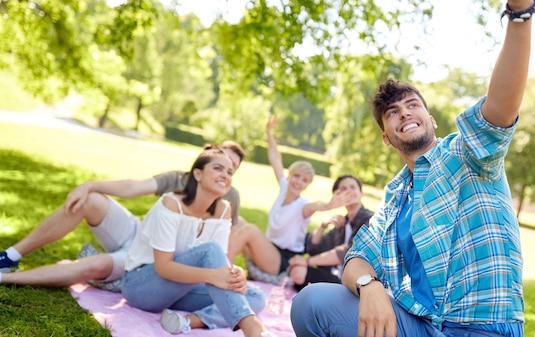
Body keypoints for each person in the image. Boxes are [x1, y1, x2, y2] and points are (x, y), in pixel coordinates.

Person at [291, 0, 535, 337]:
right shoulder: (395, 196)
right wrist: (369, 287)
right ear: (386, 139)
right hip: (419, 325)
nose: (404, 113)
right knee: (310, 303)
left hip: (481, 329)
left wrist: (520, 11)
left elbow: (501, 105)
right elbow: (357, 258)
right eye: (392, 113)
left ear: (430, 119)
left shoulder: (467, 153)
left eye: (412, 104)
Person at [0, 141, 244, 289]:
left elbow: (221, 248)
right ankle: (10, 257)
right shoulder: (178, 179)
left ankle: (7, 279)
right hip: (139, 234)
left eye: (231, 169)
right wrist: (89, 185)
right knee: (91, 201)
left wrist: (223, 275)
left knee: (94, 265)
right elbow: (132, 187)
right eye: (219, 162)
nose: (224, 173)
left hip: (149, 261)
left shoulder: (227, 200)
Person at [121, 148, 273, 337]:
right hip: (141, 287)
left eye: (229, 172)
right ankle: (254, 330)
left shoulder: (224, 209)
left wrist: (236, 274)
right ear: (197, 174)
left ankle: (186, 322)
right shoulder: (171, 204)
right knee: (209, 250)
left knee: (255, 296)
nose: (225, 175)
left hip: (181, 290)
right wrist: (212, 276)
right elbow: (163, 267)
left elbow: (219, 262)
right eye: (218, 168)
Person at [228, 116, 350, 279]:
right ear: (290, 175)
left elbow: (314, 206)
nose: (299, 182)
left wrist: (328, 205)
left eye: (305, 180)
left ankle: (224, 272)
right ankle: (220, 260)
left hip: (283, 261)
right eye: (297, 176)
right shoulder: (284, 188)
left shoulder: (302, 206)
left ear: (307, 185)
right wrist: (269, 132)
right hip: (269, 250)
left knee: (249, 230)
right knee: (237, 220)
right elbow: (275, 158)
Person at [287, 175, 374, 291]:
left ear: (361, 193)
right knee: (297, 271)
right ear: (337, 196)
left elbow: (347, 251)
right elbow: (312, 248)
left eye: (353, 187)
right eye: (343, 189)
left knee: (299, 272)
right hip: (334, 276)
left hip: (356, 281)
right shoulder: (342, 223)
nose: (348, 191)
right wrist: (323, 226)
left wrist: (306, 261)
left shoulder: (370, 220)